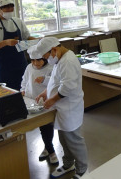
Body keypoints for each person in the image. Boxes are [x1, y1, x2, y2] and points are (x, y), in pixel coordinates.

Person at [35, 37, 88, 179]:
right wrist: (45, 92)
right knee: (64, 139)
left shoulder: (68, 61)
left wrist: (51, 100)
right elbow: (55, 80)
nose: (48, 59)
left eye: (47, 56)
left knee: (74, 140)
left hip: (70, 107)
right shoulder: (60, 59)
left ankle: (82, 169)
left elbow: (67, 87)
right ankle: (68, 164)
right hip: (62, 109)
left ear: (53, 50)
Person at [0, 0, 35, 90]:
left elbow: (27, 37)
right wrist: (5, 43)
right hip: (4, 66)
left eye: (12, 7)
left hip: (20, 63)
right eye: (6, 8)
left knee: (24, 88)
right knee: (7, 92)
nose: (10, 10)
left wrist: (38, 41)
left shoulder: (18, 21)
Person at [20, 45, 58, 165]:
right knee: (38, 126)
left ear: (45, 58)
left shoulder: (51, 68)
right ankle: (48, 148)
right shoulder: (28, 68)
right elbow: (24, 80)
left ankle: (51, 151)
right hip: (31, 100)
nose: (35, 63)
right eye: (33, 60)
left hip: (45, 102)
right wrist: (22, 90)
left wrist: (44, 79)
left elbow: (55, 82)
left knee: (45, 127)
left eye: (39, 60)